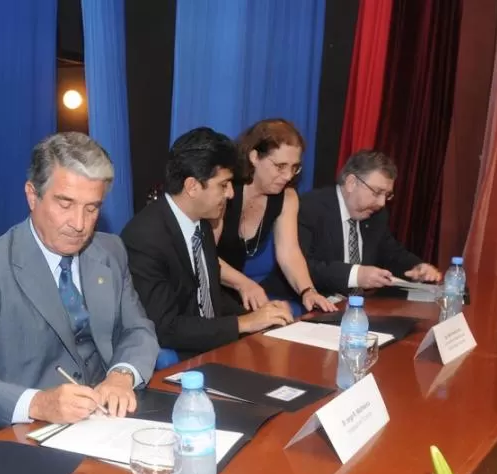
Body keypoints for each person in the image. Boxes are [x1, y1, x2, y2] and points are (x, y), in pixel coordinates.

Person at [0, 132, 159, 432]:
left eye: (91, 208)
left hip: (109, 423)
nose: (79, 224)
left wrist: (122, 374)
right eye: (65, 204)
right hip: (33, 432)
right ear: (32, 196)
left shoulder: (110, 251)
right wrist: (38, 403)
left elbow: (138, 330)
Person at [122, 127, 293, 360]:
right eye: (223, 185)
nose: (231, 194)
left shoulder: (201, 223)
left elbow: (208, 295)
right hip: (183, 359)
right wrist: (244, 322)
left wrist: (261, 315)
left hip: (214, 345)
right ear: (192, 186)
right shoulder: (145, 238)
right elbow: (165, 328)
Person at [215, 118, 335, 314]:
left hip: (238, 290)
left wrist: (308, 291)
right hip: (203, 288)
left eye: (294, 167)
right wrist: (245, 284)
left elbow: (289, 252)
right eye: (280, 166)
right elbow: (204, 256)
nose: (288, 176)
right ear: (254, 156)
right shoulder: (225, 190)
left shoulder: (287, 197)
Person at [298, 150, 441, 294]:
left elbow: (391, 253)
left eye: (387, 195)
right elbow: (302, 266)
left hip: (357, 308)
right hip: (312, 304)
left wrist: (417, 267)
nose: (381, 203)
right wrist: (356, 275)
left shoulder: (376, 215)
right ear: (351, 183)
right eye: (377, 192)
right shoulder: (310, 208)